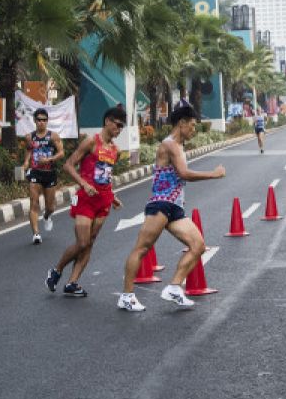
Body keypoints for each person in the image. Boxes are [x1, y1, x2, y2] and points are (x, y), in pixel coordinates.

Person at [118, 105, 226, 312]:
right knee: (141, 249)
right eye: (192, 125)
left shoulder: (178, 146)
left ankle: (174, 287)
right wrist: (214, 174)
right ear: (181, 123)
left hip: (174, 207)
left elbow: (177, 178)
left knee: (198, 246)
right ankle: (126, 295)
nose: (194, 130)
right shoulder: (169, 145)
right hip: (160, 205)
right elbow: (184, 173)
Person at [46, 107, 125, 298]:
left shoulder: (116, 150)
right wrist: (83, 183)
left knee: (90, 243)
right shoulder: (91, 142)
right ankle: (56, 271)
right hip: (85, 200)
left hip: (104, 201)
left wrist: (112, 195)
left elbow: (106, 175)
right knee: (82, 242)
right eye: (117, 124)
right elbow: (68, 165)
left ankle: (72, 283)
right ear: (107, 121)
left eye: (122, 127)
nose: (119, 129)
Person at [22, 108, 64, 245]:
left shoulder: (53, 136)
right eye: (39, 120)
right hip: (35, 172)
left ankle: (46, 216)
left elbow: (61, 153)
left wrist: (49, 159)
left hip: (49, 173)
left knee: (50, 207)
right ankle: (36, 234)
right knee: (34, 203)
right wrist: (26, 162)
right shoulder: (30, 137)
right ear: (34, 121)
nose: (41, 122)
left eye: (44, 120)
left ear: (47, 121)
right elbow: (29, 150)